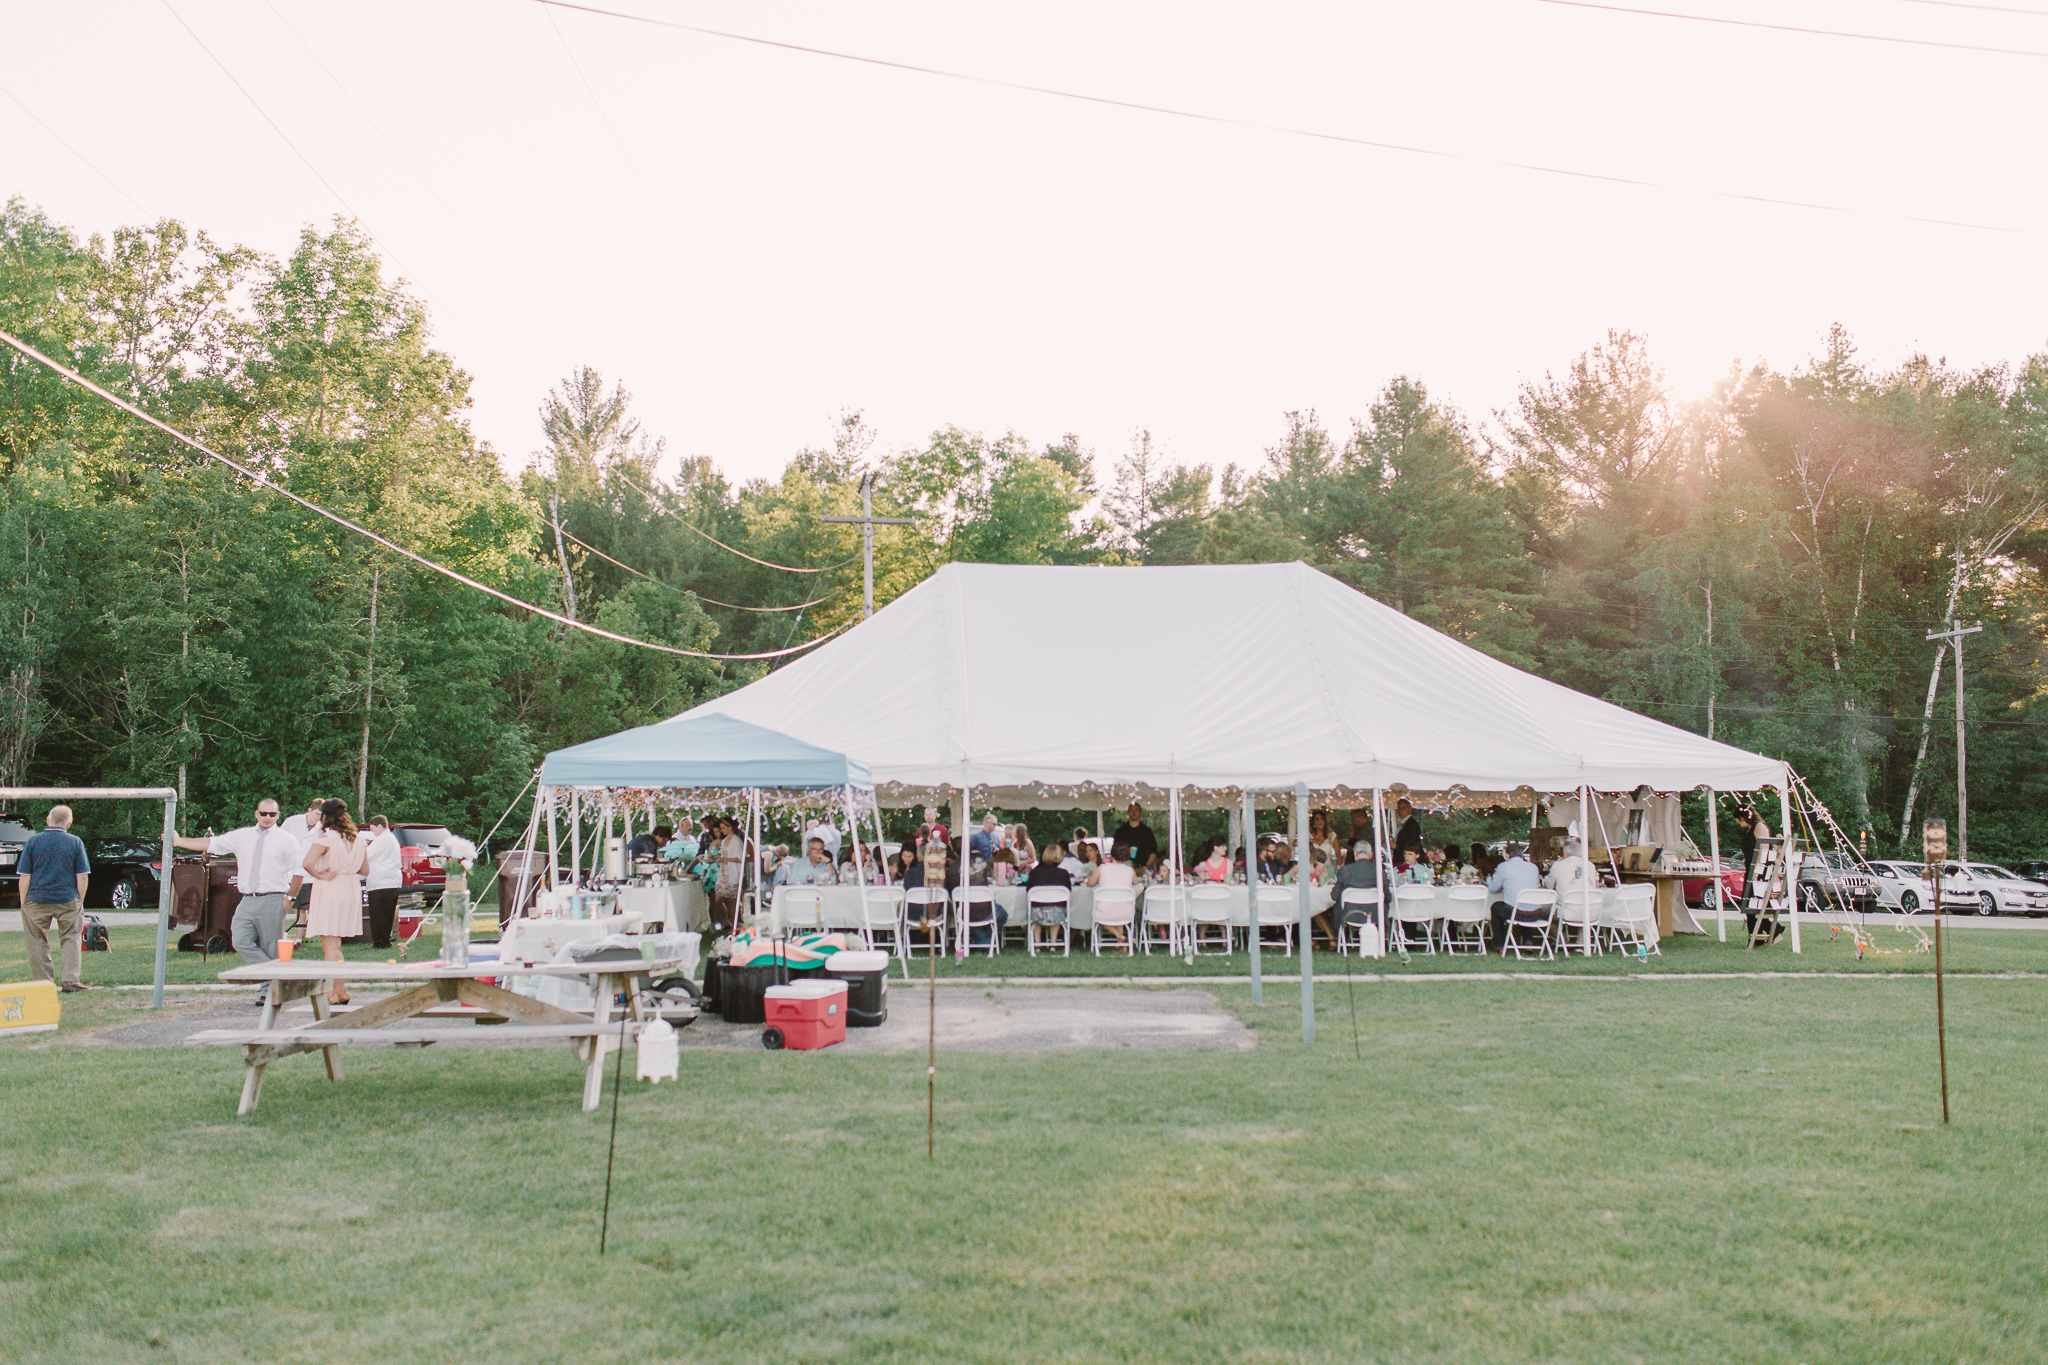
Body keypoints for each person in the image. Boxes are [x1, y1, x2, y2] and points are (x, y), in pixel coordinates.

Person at [173, 798, 305, 1007]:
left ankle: (266, 992)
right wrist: (179, 841)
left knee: (271, 948)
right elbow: (211, 844)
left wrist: (290, 898)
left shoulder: (286, 840)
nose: (268, 818)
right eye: (263, 814)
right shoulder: (242, 836)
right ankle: (276, 979)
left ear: (278, 816)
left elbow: (299, 871)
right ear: (256, 814)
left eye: (272, 814)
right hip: (247, 899)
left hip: (274, 898)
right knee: (240, 940)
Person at [15, 805, 91, 994]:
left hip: (36, 899)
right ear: (69, 822)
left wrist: (23, 901)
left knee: (37, 941)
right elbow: (82, 876)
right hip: (67, 899)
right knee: (71, 938)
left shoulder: (33, 842)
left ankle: (44, 983)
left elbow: (25, 876)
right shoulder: (75, 842)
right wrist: (79, 899)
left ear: (48, 820)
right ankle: (71, 980)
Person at [301, 799, 369, 1006]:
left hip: (331, 888)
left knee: (329, 944)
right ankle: (341, 990)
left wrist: (320, 874)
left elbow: (307, 863)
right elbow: (365, 871)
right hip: (350, 888)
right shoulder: (357, 839)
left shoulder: (325, 838)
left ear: (324, 816)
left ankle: (330, 991)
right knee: (336, 943)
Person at [281, 796, 328, 926]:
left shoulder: (322, 829)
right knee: (283, 904)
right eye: (316, 814)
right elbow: (279, 841)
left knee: (304, 907)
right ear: (310, 810)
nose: (318, 818)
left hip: (308, 872)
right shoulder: (292, 822)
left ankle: (299, 940)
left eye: (321, 815)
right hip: (287, 870)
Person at [1487, 844, 1545, 947]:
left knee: (1496, 907)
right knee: (1525, 903)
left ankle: (1499, 944)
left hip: (1516, 913)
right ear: (1521, 855)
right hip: (1535, 913)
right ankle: (1528, 941)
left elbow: (1492, 888)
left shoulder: (1503, 866)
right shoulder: (1533, 867)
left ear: (1508, 855)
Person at [1329, 839, 1381, 947]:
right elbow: (1388, 896)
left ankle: (1339, 939)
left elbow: (1335, 896)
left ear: (1355, 853)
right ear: (1371, 854)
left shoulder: (1345, 870)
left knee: (1337, 906)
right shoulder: (1378, 871)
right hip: (1375, 914)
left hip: (1349, 914)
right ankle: (1382, 940)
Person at [362, 814, 404, 949]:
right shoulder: (391, 838)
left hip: (381, 883)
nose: (372, 832)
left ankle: (380, 942)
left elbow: (366, 855)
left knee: (378, 915)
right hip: (391, 881)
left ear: (379, 826)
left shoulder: (383, 839)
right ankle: (384, 940)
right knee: (386, 914)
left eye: (372, 828)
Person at [1025, 842, 1075, 951]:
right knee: (1057, 907)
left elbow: (1028, 891)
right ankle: (1053, 943)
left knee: (1036, 910)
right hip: (1057, 913)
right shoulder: (1064, 873)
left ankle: (1037, 944)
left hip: (1037, 914)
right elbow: (1068, 892)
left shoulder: (1034, 872)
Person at [1086, 844, 1136, 944]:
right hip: (1125, 912)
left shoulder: (1102, 868)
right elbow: (1136, 883)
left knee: (1100, 916)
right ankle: (1120, 940)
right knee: (1118, 906)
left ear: (1112, 855)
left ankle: (1120, 937)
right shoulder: (1130, 870)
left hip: (1104, 912)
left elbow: (1090, 883)